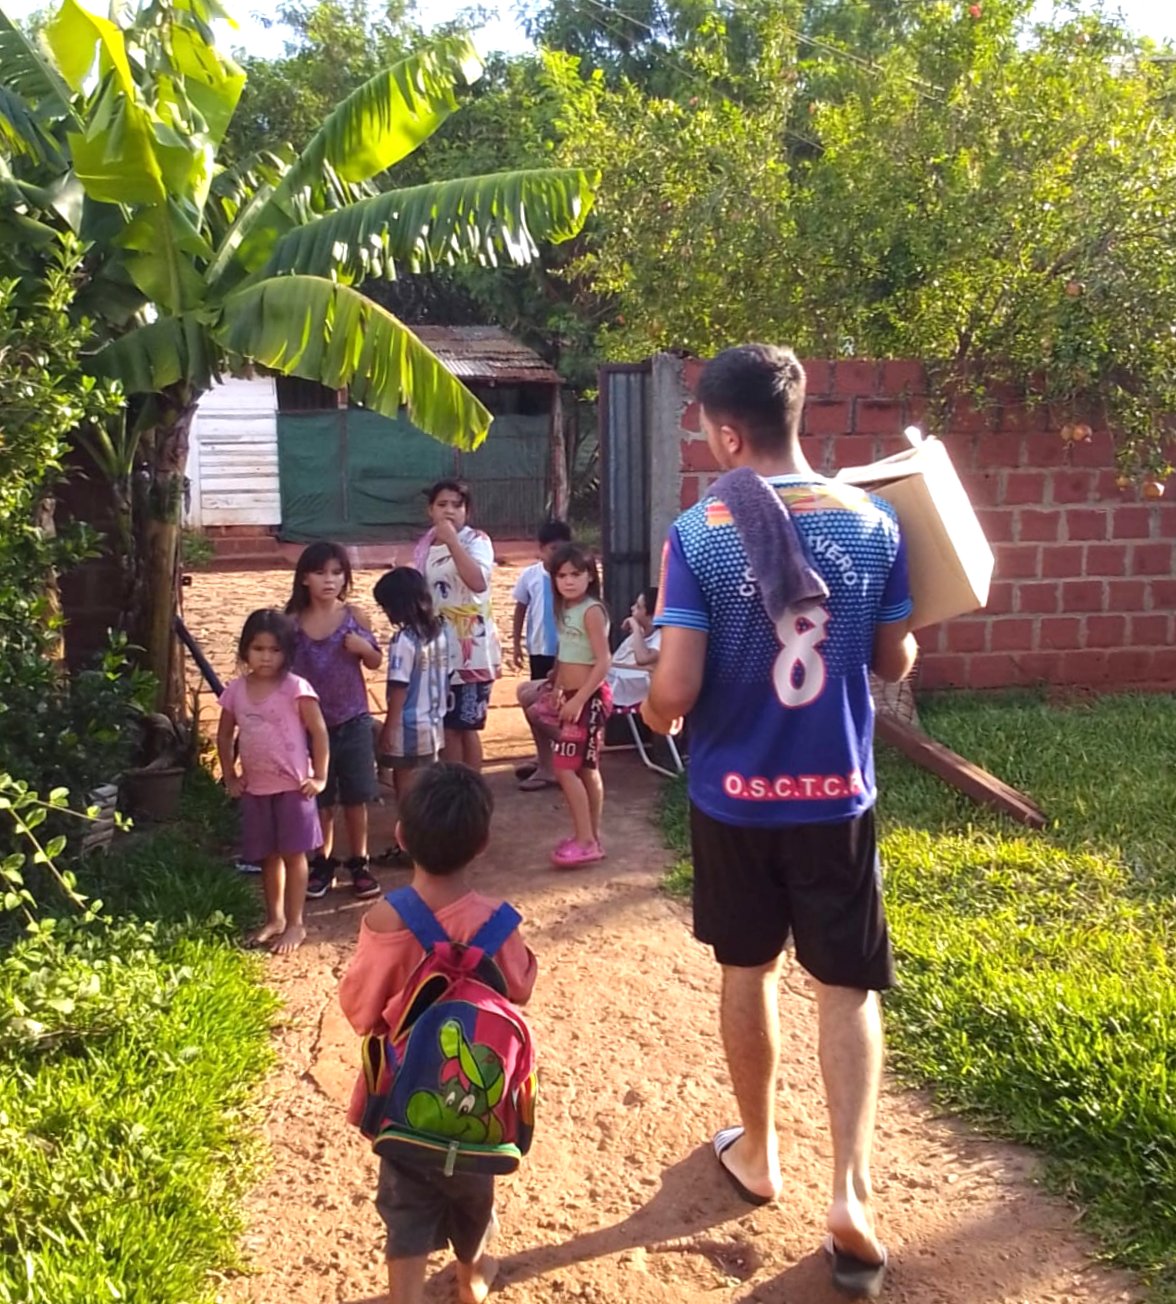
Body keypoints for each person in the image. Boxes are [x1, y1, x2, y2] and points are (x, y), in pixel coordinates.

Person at [642, 344, 917, 1300]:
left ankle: (758, 1154)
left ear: (726, 430)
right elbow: (894, 661)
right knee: (847, 988)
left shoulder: (702, 531)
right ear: (798, 415)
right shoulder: (876, 520)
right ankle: (850, 1193)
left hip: (735, 803)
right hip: (836, 796)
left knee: (746, 969)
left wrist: (648, 709)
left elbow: (674, 690)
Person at [338, 764, 537, 1304]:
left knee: (404, 1203)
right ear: (483, 843)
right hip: (479, 1106)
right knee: (474, 1194)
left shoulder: (386, 918)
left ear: (401, 837)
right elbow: (519, 989)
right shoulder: (499, 921)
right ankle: (472, 1277)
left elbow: (360, 1010)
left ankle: (405, 1295)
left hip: (399, 1098)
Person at [216, 608, 329, 954]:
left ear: (287, 652)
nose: (266, 657)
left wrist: (320, 776)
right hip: (255, 787)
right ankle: (275, 918)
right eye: (258, 649)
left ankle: (296, 923)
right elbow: (223, 737)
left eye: (274, 650)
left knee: (295, 855)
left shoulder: (297, 688)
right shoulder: (235, 690)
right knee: (267, 856)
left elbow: (319, 732)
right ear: (245, 650)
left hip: (295, 787)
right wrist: (230, 775)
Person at [287, 541, 383, 901]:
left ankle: (359, 862)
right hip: (310, 726)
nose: (329, 580)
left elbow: (375, 661)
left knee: (356, 796)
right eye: (320, 572)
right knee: (320, 797)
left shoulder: (355, 618)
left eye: (337, 572)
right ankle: (321, 862)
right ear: (304, 579)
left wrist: (364, 649)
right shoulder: (291, 624)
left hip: (353, 719)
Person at [524, 543, 612, 867]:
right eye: (562, 575)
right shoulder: (565, 609)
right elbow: (567, 651)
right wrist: (557, 683)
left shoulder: (592, 610)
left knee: (565, 769)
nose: (569, 581)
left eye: (576, 574)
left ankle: (587, 839)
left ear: (590, 576)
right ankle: (589, 836)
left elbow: (603, 662)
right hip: (573, 697)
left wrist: (579, 698)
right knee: (586, 770)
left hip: (587, 701)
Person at [413, 480, 502, 772]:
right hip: (437, 646)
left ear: (467, 510)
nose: (449, 511)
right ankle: (453, 787)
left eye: (456, 505)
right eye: (442, 505)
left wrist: (452, 542)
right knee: (446, 725)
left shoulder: (476, 541)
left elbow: (477, 581)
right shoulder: (425, 544)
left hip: (470, 648)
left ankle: (471, 787)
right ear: (430, 510)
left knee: (465, 726)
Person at [372, 567, 450, 861]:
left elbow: (399, 687)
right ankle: (430, 835)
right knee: (426, 781)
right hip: (433, 722)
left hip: (407, 725)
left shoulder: (403, 640)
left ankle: (410, 843)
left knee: (404, 788)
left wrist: (389, 730)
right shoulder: (440, 632)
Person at [512, 519, 572, 792]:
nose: (555, 554)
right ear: (540, 550)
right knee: (540, 703)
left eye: (561, 548)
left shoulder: (571, 580)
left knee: (554, 707)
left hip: (567, 656)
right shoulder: (531, 576)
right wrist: (515, 643)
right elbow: (520, 608)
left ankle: (570, 758)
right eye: (551, 549)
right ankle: (546, 759)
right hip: (540, 650)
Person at [606, 585, 661, 709]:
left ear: (651, 616)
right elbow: (615, 662)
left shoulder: (660, 638)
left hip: (634, 692)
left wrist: (635, 626)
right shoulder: (636, 637)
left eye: (638, 607)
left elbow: (642, 659)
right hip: (616, 682)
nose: (632, 609)